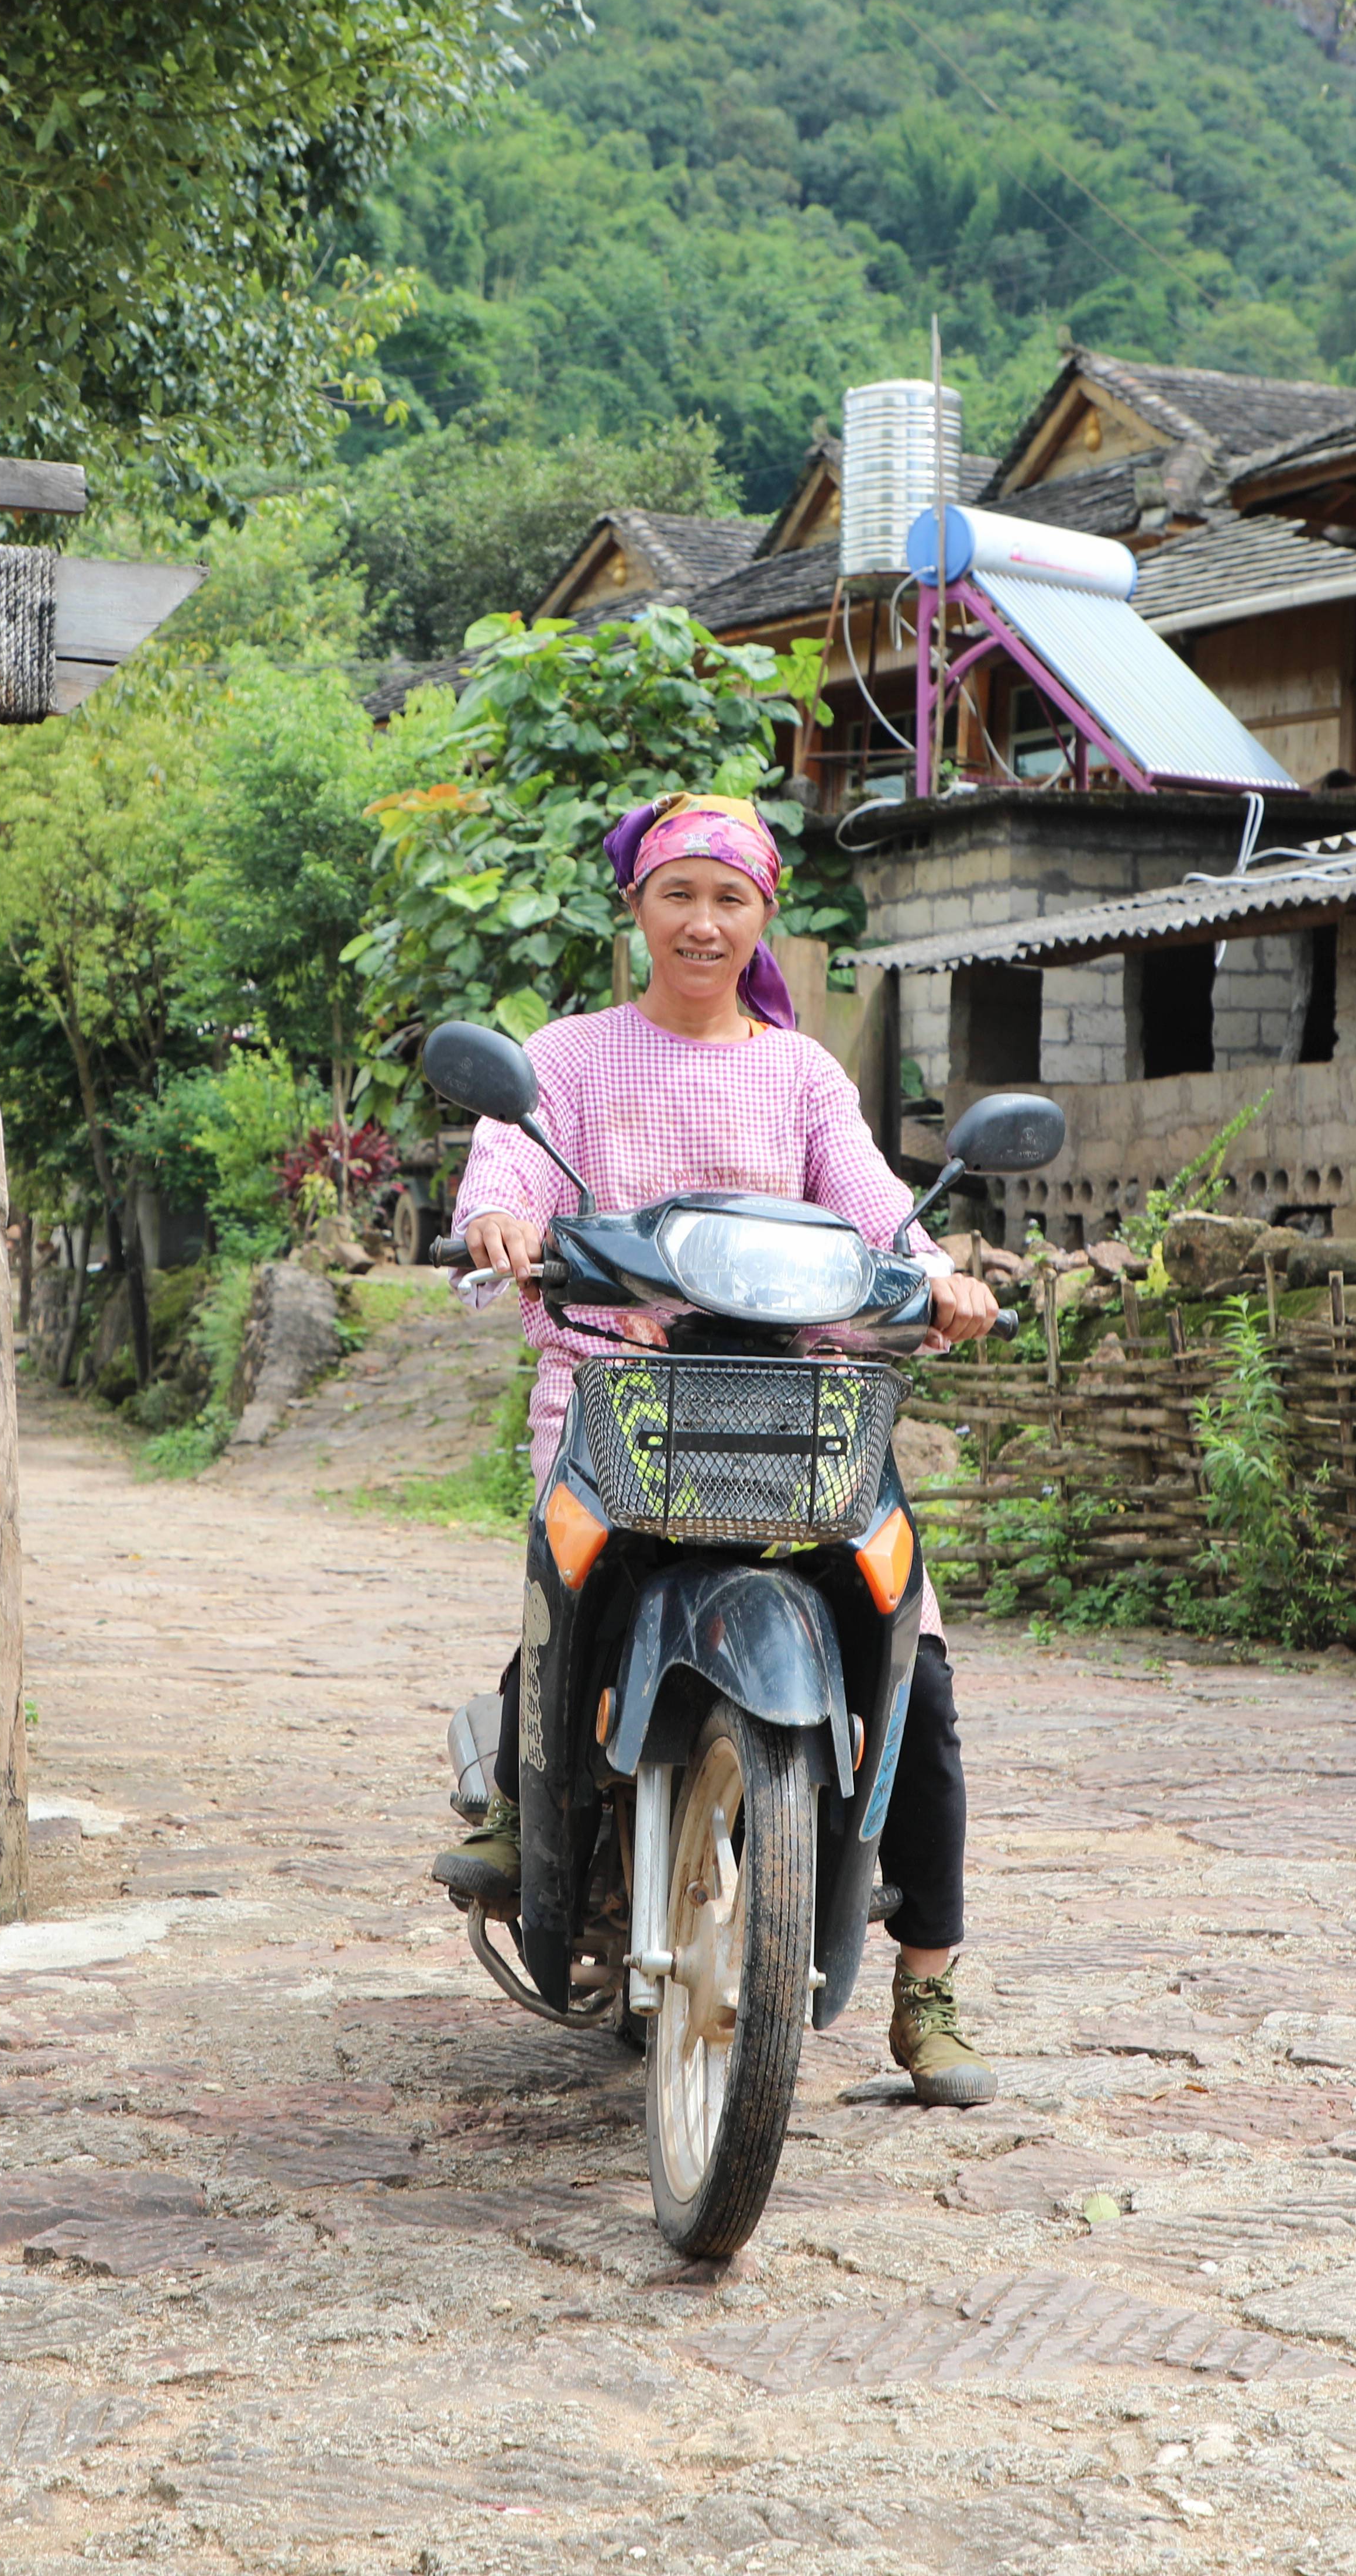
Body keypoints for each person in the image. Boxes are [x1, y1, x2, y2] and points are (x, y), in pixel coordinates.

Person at [426, 791, 1008, 2106]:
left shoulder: (802, 1075)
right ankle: (527, 1806)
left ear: (763, 918)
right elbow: (505, 1169)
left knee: (915, 1658)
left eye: (729, 898)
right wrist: (501, 1220)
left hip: (797, 1407)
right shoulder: (570, 1057)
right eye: (679, 894)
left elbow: (873, 1203)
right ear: (637, 906)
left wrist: (935, 1273)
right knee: (577, 1579)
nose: (704, 921)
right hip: (618, 1389)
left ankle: (929, 1983)